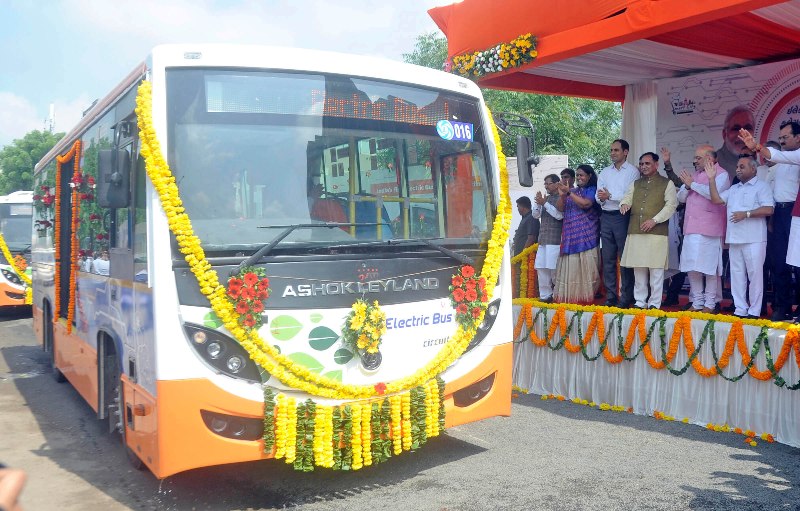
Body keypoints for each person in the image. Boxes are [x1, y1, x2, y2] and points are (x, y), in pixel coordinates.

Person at [706, 155, 774, 318]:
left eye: (742, 166)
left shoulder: (762, 186)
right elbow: (716, 200)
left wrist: (747, 214)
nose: (737, 169)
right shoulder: (734, 189)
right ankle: (740, 309)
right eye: (737, 167)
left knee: (755, 275)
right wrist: (711, 179)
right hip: (735, 239)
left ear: (753, 168)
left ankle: (754, 311)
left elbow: (769, 209)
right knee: (737, 276)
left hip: (754, 239)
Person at [673, 145, 730, 313]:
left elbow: (714, 195)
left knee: (709, 268)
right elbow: (681, 198)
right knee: (692, 266)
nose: (694, 161)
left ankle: (710, 304)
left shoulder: (722, 174)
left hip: (709, 229)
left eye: (698, 158)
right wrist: (688, 186)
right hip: (691, 228)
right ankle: (697, 302)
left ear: (709, 159)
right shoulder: (695, 176)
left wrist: (693, 185)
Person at [619, 152, 678, 309]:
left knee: (656, 270)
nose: (643, 166)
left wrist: (654, 220)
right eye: (641, 164)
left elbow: (671, 205)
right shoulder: (635, 184)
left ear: (656, 164)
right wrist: (624, 204)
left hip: (656, 232)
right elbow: (627, 197)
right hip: (636, 230)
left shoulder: (667, 183)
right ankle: (640, 301)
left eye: (647, 163)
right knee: (638, 268)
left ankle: (654, 303)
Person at [759, 125, 800, 320]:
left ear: (798, 138)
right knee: (780, 262)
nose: (782, 141)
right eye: (780, 137)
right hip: (780, 213)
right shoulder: (777, 164)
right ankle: (782, 306)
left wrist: (757, 146)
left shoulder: (796, 158)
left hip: (797, 213)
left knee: (798, 264)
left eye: (786, 137)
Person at [596, 139, 639, 308]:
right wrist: (603, 198)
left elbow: (630, 195)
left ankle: (627, 297)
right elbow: (599, 195)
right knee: (607, 258)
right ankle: (611, 296)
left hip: (623, 216)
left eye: (616, 150)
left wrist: (610, 196)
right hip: (605, 215)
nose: (613, 153)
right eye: (611, 150)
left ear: (626, 152)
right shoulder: (605, 172)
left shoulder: (633, 171)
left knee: (625, 258)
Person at [553, 165, 601, 304]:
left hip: (587, 237)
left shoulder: (592, 190)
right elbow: (560, 208)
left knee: (587, 270)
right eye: (578, 175)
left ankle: (586, 299)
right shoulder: (572, 191)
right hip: (570, 237)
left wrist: (568, 193)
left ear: (589, 176)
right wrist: (562, 196)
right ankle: (571, 298)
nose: (580, 178)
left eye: (582, 175)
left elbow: (586, 204)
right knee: (571, 269)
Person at [532, 174, 564, 302]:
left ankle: (557, 295)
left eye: (548, 183)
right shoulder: (546, 198)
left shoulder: (561, 198)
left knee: (553, 268)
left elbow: (559, 215)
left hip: (555, 239)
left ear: (557, 184)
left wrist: (544, 203)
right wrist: (538, 204)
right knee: (541, 267)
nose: (546, 186)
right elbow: (535, 215)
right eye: (545, 184)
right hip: (543, 239)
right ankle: (545, 295)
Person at [716, 105, 755, 181]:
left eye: (748, 128)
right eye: (736, 129)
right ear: (724, 134)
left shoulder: (758, 167)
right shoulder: (714, 163)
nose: (742, 135)